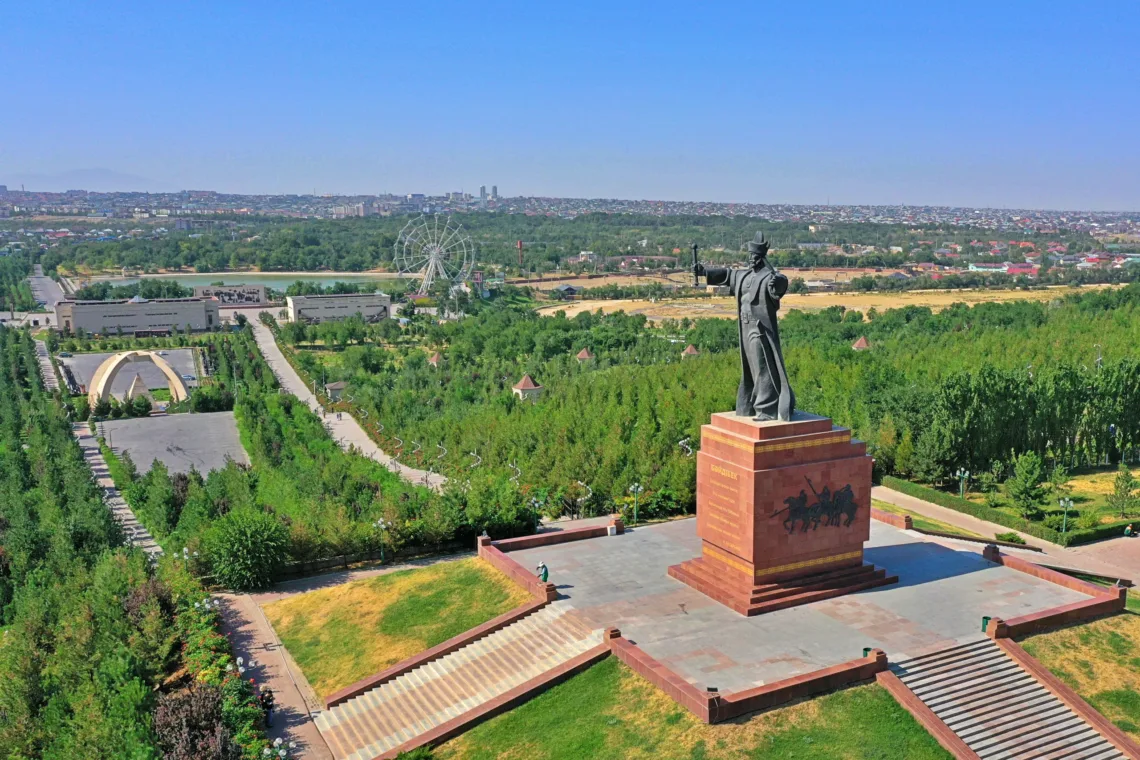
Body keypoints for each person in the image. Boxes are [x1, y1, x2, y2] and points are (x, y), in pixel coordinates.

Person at [694, 231, 795, 421]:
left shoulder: (767, 277)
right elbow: (727, 274)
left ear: (761, 258)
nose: (751, 260)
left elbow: (780, 284)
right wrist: (704, 272)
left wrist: (778, 283)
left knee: (762, 365)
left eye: (755, 257)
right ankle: (749, 405)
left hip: (760, 329)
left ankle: (766, 409)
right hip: (745, 326)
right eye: (750, 256)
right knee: (750, 367)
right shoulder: (743, 276)